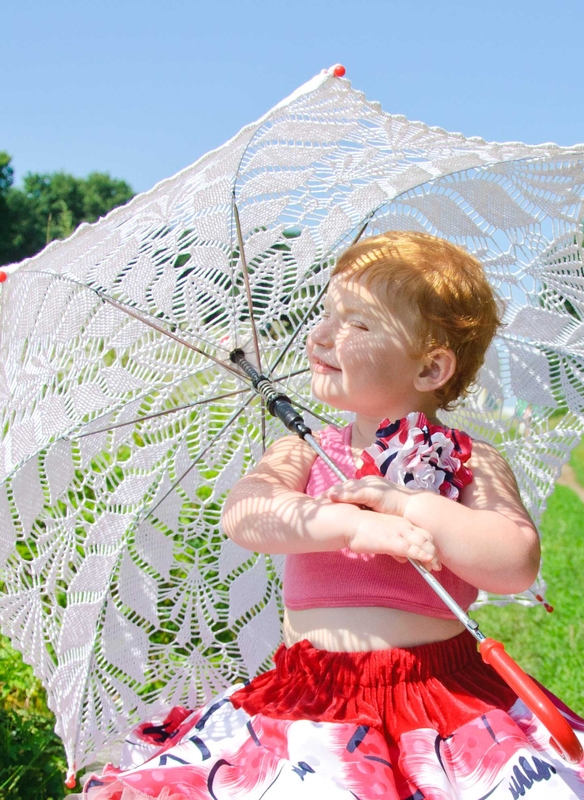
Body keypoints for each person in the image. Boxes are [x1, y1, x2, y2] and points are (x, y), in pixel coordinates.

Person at [81, 232, 584, 799]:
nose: (321, 335)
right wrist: (352, 525)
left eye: (356, 324)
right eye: (326, 314)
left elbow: (514, 561)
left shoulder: (472, 460)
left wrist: (413, 505)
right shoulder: (303, 450)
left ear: (430, 368)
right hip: (312, 698)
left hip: (441, 694)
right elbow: (246, 512)